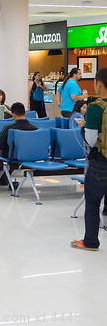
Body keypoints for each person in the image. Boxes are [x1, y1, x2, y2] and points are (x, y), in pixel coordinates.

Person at [71, 67, 107, 251]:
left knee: (93, 203)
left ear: (98, 83)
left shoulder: (95, 108)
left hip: (100, 162)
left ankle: (90, 242)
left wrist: (83, 127)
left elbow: (92, 140)